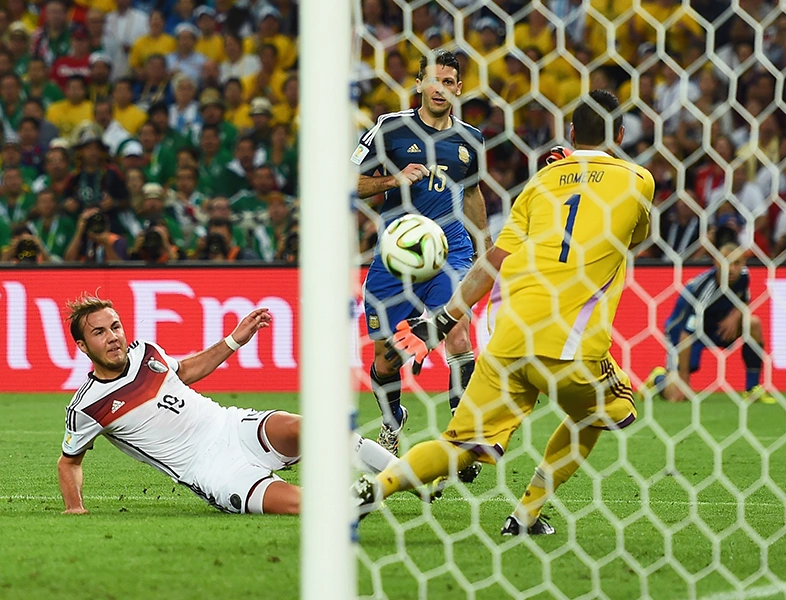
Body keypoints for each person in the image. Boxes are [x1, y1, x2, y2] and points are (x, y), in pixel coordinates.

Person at [355, 90, 656, 536]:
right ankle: (526, 514)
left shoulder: (538, 184)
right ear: (621, 133)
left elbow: (492, 261)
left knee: (458, 444)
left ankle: (374, 489)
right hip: (571, 342)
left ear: (571, 133)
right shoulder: (638, 180)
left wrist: (442, 319)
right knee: (602, 413)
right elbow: (634, 238)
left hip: (509, 337)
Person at [58, 294, 395, 515]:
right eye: (100, 333)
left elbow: (186, 371)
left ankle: (409, 474)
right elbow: (68, 462)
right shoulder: (87, 406)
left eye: (115, 326)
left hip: (233, 426)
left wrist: (235, 339)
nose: (113, 336)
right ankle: (352, 503)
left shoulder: (145, 352)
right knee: (305, 504)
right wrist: (75, 507)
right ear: (83, 346)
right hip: (212, 470)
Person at [351, 49, 490, 484]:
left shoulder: (471, 139)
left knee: (458, 328)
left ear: (459, 88)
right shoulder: (390, 128)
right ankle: (393, 424)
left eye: (450, 82)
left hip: (450, 251)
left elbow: (471, 195)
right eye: (434, 81)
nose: (441, 89)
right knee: (386, 360)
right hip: (395, 258)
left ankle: (462, 439)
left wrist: (484, 247)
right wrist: (393, 179)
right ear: (419, 85)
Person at [641, 227, 776, 405]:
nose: (732, 269)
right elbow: (685, 334)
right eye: (727, 263)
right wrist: (684, 381)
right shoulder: (703, 289)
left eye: (737, 263)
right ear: (716, 262)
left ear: (743, 263)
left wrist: (736, 314)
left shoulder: (744, 276)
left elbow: (744, 299)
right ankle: (659, 378)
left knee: (753, 323)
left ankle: (752, 389)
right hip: (683, 334)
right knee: (676, 396)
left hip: (714, 327)